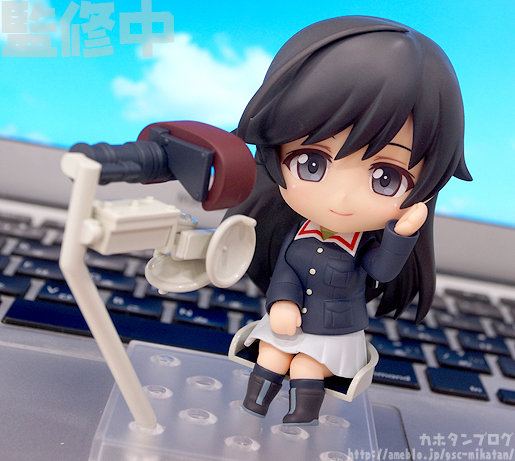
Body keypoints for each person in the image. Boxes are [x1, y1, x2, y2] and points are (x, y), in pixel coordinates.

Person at [225, 15, 472, 426]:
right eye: (311, 163)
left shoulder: (362, 247)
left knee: (307, 366)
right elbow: (286, 270)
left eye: (385, 178)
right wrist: (282, 301)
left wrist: (401, 234)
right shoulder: (296, 233)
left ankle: (301, 419)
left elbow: (381, 270)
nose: (341, 199)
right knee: (269, 353)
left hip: (334, 331)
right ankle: (254, 406)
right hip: (290, 322)